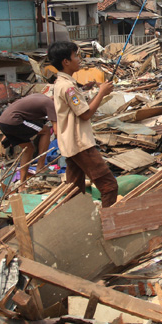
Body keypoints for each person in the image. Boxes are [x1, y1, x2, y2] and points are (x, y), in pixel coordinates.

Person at [48, 41, 119, 207]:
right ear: (66, 62)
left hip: (70, 145)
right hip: (80, 143)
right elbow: (85, 114)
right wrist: (101, 93)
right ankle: (108, 225)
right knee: (109, 186)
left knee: (74, 190)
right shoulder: (68, 88)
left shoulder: (63, 84)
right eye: (75, 56)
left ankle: (76, 223)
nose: (79, 59)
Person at [0, 94, 58, 183]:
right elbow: (56, 131)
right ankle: (40, 167)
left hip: (2, 122)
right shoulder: (50, 104)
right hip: (14, 121)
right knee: (46, 130)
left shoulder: (40, 97)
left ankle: (22, 184)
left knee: (29, 149)